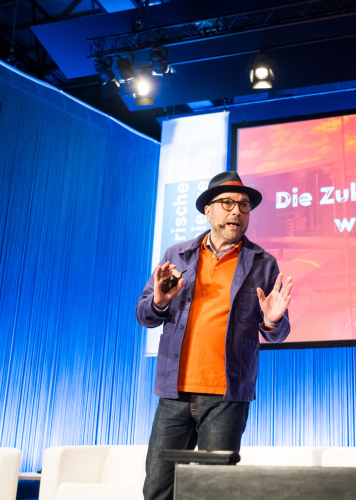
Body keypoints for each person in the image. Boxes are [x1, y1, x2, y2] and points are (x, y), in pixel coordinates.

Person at [135, 171, 292, 500]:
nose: (237, 211)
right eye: (228, 203)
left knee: (213, 491)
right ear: (208, 210)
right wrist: (160, 301)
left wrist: (272, 320)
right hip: (175, 394)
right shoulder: (177, 255)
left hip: (226, 398)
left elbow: (277, 334)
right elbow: (144, 315)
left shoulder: (263, 263)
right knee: (158, 489)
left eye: (244, 205)